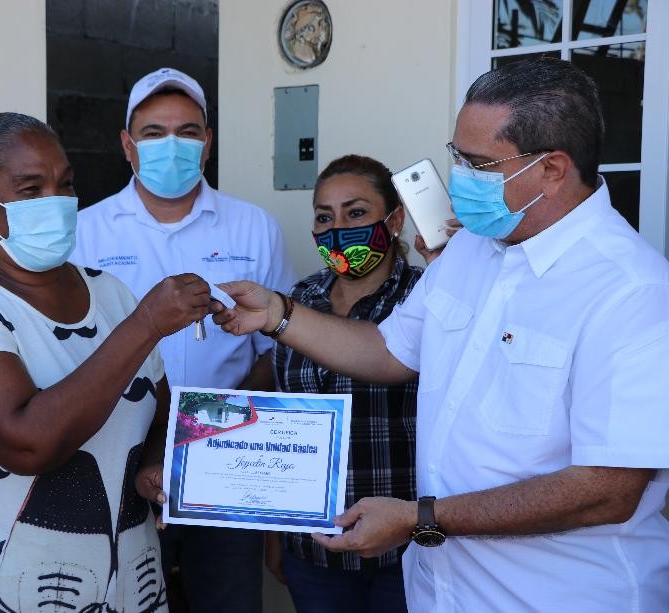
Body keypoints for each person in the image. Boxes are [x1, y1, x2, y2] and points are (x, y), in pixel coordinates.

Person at [212, 57, 669, 611]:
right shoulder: (472, 249)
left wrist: (421, 519)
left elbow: (607, 490)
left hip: (559, 597)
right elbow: (388, 351)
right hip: (440, 592)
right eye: (456, 155)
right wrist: (278, 314)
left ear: (551, 169)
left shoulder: (632, 290)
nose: (459, 177)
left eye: (477, 163)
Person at [0, 112, 210, 612]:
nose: (55, 201)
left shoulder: (112, 293)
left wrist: (154, 465)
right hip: (1, 588)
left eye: (65, 184)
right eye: (31, 189)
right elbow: (26, 445)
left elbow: (159, 416)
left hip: (131, 585)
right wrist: (145, 325)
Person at [74, 67, 295, 613]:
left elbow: (280, 347)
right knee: (123, 599)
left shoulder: (254, 227)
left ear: (208, 142)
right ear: (128, 145)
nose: (171, 145)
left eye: (188, 131)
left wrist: (215, 428)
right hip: (117, 460)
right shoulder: (85, 232)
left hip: (227, 455)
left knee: (228, 599)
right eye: (153, 133)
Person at [263, 155, 420, 613]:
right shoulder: (298, 301)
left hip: (407, 549)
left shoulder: (426, 297)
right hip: (315, 550)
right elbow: (280, 420)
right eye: (324, 217)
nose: (338, 229)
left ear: (394, 220)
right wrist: (276, 533)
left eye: (356, 213)